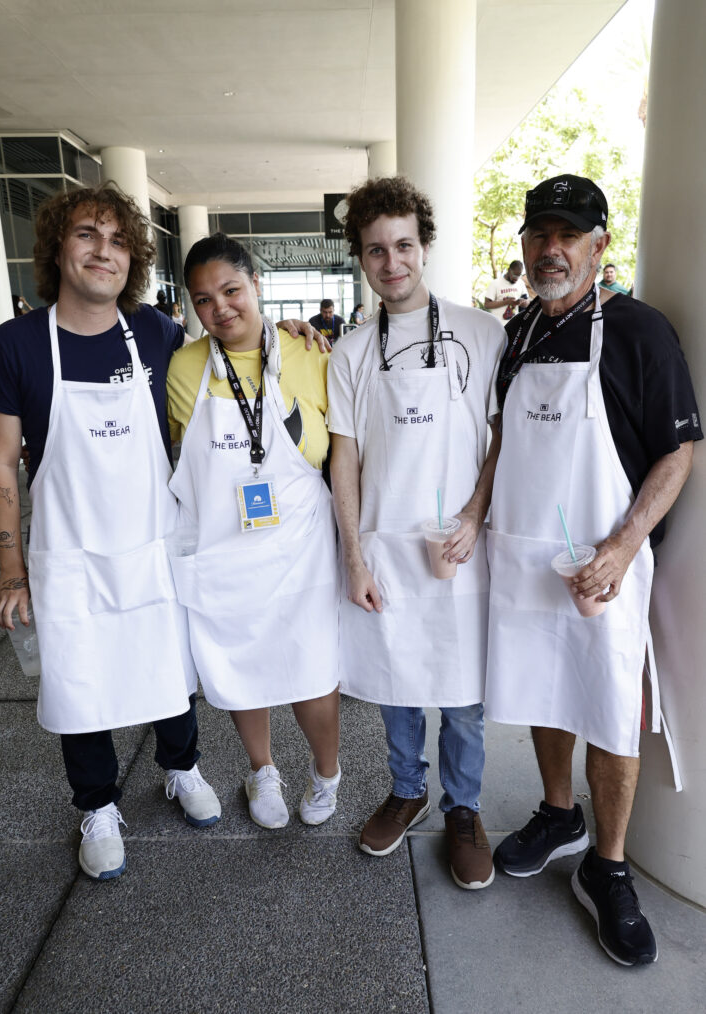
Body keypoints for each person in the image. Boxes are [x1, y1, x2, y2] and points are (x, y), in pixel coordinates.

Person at [486, 173, 702, 965]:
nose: (551, 249)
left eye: (568, 235)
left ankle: (606, 867)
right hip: (524, 558)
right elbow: (502, 441)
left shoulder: (640, 332)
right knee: (543, 688)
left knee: (610, 710)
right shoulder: (518, 335)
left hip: (604, 565)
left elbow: (678, 452)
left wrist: (621, 545)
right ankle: (556, 814)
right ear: (523, 245)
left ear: (599, 246)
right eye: (539, 234)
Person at [0, 183, 221, 882]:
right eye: (88, 235)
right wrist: (10, 571)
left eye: (119, 241)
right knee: (79, 679)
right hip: (68, 553)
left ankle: (181, 767)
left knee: (169, 668)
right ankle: (95, 804)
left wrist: (288, 334)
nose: (104, 252)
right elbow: (0, 460)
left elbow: (231, 377)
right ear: (58, 248)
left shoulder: (156, 334)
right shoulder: (16, 344)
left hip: (153, 544)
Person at [328, 176, 504, 889]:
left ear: (422, 247)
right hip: (385, 547)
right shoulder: (349, 352)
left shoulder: (482, 333)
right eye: (375, 250)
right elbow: (344, 458)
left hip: (457, 547)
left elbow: (501, 440)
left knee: (462, 697)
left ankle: (463, 810)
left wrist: (472, 516)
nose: (391, 261)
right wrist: (352, 555)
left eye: (403, 245)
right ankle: (408, 788)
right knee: (398, 682)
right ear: (361, 260)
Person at [166, 233, 341, 830]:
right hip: (227, 545)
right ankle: (261, 770)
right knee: (242, 662)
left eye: (232, 290)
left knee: (312, 666)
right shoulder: (185, 367)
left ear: (257, 285)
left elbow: (340, 453)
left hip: (301, 545)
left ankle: (327, 774)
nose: (220, 308)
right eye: (203, 299)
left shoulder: (311, 354)